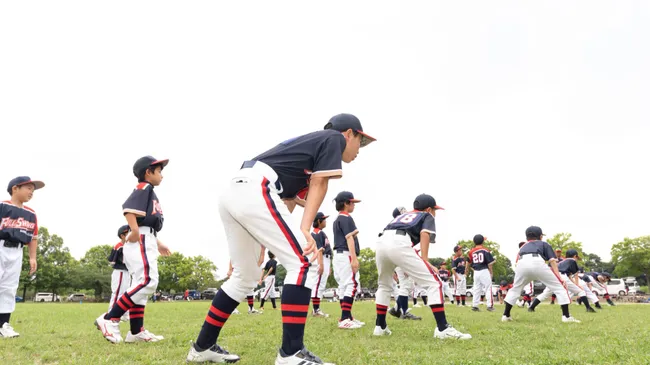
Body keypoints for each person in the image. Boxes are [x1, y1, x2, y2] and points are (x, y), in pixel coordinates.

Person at [186, 113, 375, 364]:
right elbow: (320, 183)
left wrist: (266, 239)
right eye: (360, 141)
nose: (359, 149)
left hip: (238, 191)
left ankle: (202, 346)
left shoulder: (308, 150)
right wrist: (306, 230)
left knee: (246, 277)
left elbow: (284, 203)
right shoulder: (333, 138)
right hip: (256, 188)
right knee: (304, 262)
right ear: (349, 133)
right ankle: (291, 353)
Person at [95, 156, 172, 343]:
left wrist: (157, 241)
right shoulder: (144, 187)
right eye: (159, 171)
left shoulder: (150, 191)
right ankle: (109, 319)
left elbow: (146, 219)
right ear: (148, 172)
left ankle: (136, 331)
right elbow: (129, 209)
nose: (162, 175)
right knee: (148, 281)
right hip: (141, 238)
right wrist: (135, 229)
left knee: (141, 285)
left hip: (148, 237)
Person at [373, 194, 471, 339]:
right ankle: (443, 328)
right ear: (429, 209)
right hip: (400, 243)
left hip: (381, 243)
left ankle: (380, 327)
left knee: (384, 286)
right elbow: (425, 233)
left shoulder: (401, 216)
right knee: (434, 283)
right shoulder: (426, 215)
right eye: (435, 210)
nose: (435, 213)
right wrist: (425, 260)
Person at [501, 226, 579, 323]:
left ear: (527, 237)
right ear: (540, 236)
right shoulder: (543, 244)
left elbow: (517, 262)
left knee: (515, 289)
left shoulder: (523, 246)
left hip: (521, 264)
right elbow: (552, 261)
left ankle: (506, 315)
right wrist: (559, 277)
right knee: (560, 288)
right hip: (537, 262)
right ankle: (566, 317)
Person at [0, 176, 43, 338]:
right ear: (15, 188)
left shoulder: (31, 213)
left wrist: (32, 257)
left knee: (9, 288)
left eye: (33, 189)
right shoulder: (2, 206)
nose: (31, 192)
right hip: (1, 246)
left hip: (17, 251)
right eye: (28, 188)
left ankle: (3, 324)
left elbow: (33, 237)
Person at [332, 191, 365, 329]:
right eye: (352, 202)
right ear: (346, 203)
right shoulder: (346, 218)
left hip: (338, 255)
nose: (354, 205)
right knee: (351, 284)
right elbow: (349, 238)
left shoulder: (337, 219)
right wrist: (354, 259)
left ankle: (347, 317)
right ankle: (345, 318)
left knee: (343, 286)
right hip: (346, 254)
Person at [528, 249, 596, 313]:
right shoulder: (572, 260)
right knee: (581, 291)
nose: (576, 258)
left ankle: (531, 307)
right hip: (562, 277)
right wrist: (577, 285)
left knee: (545, 293)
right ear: (575, 256)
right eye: (576, 257)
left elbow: (569, 275)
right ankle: (588, 308)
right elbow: (575, 275)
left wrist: (575, 285)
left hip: (553, 276)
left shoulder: (562, 262)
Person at [108, 225, 131, 322]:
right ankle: (111, 314)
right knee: (117, 293)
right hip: (120, 271)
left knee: (126, 293)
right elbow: (112, 261)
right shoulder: (119, 246)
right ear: (122, 235)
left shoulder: (130, 246)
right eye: (128, 233)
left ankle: (124, 314)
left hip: (127, 272)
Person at [311, 212, 332, 318]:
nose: (325, 221)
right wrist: (321, 264)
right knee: (318, 284)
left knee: (320, 284)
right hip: (321, 258)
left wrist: (329, 266)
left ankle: (316, 309)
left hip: (325, 259)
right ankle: (316, 310)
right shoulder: (317, 233)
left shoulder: (319, 233)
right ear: (319, 221)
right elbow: (319, 250)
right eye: (323, 219)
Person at [468, 235, 495, 312]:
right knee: (488, 288)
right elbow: (490, 263)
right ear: (482, 241)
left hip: (476, 272)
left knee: (476, 289)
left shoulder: (471, 251)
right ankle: (490, 306)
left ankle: (475, 306)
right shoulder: (485, 250)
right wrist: (491, 272)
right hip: (484, 270)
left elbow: (469, 262)